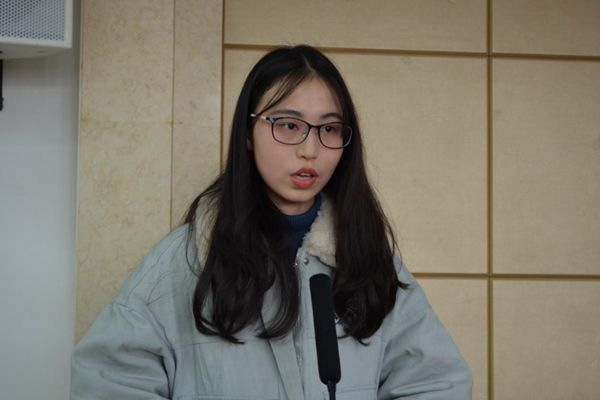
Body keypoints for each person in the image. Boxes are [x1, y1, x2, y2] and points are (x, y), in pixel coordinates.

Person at [71, 45, 472, 399]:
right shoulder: (184, 260)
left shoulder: (369, 260)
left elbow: (436, 383)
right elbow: (108, 383)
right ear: (248, 133)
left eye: (329, 129)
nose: (310, 149)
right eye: (289, 125)